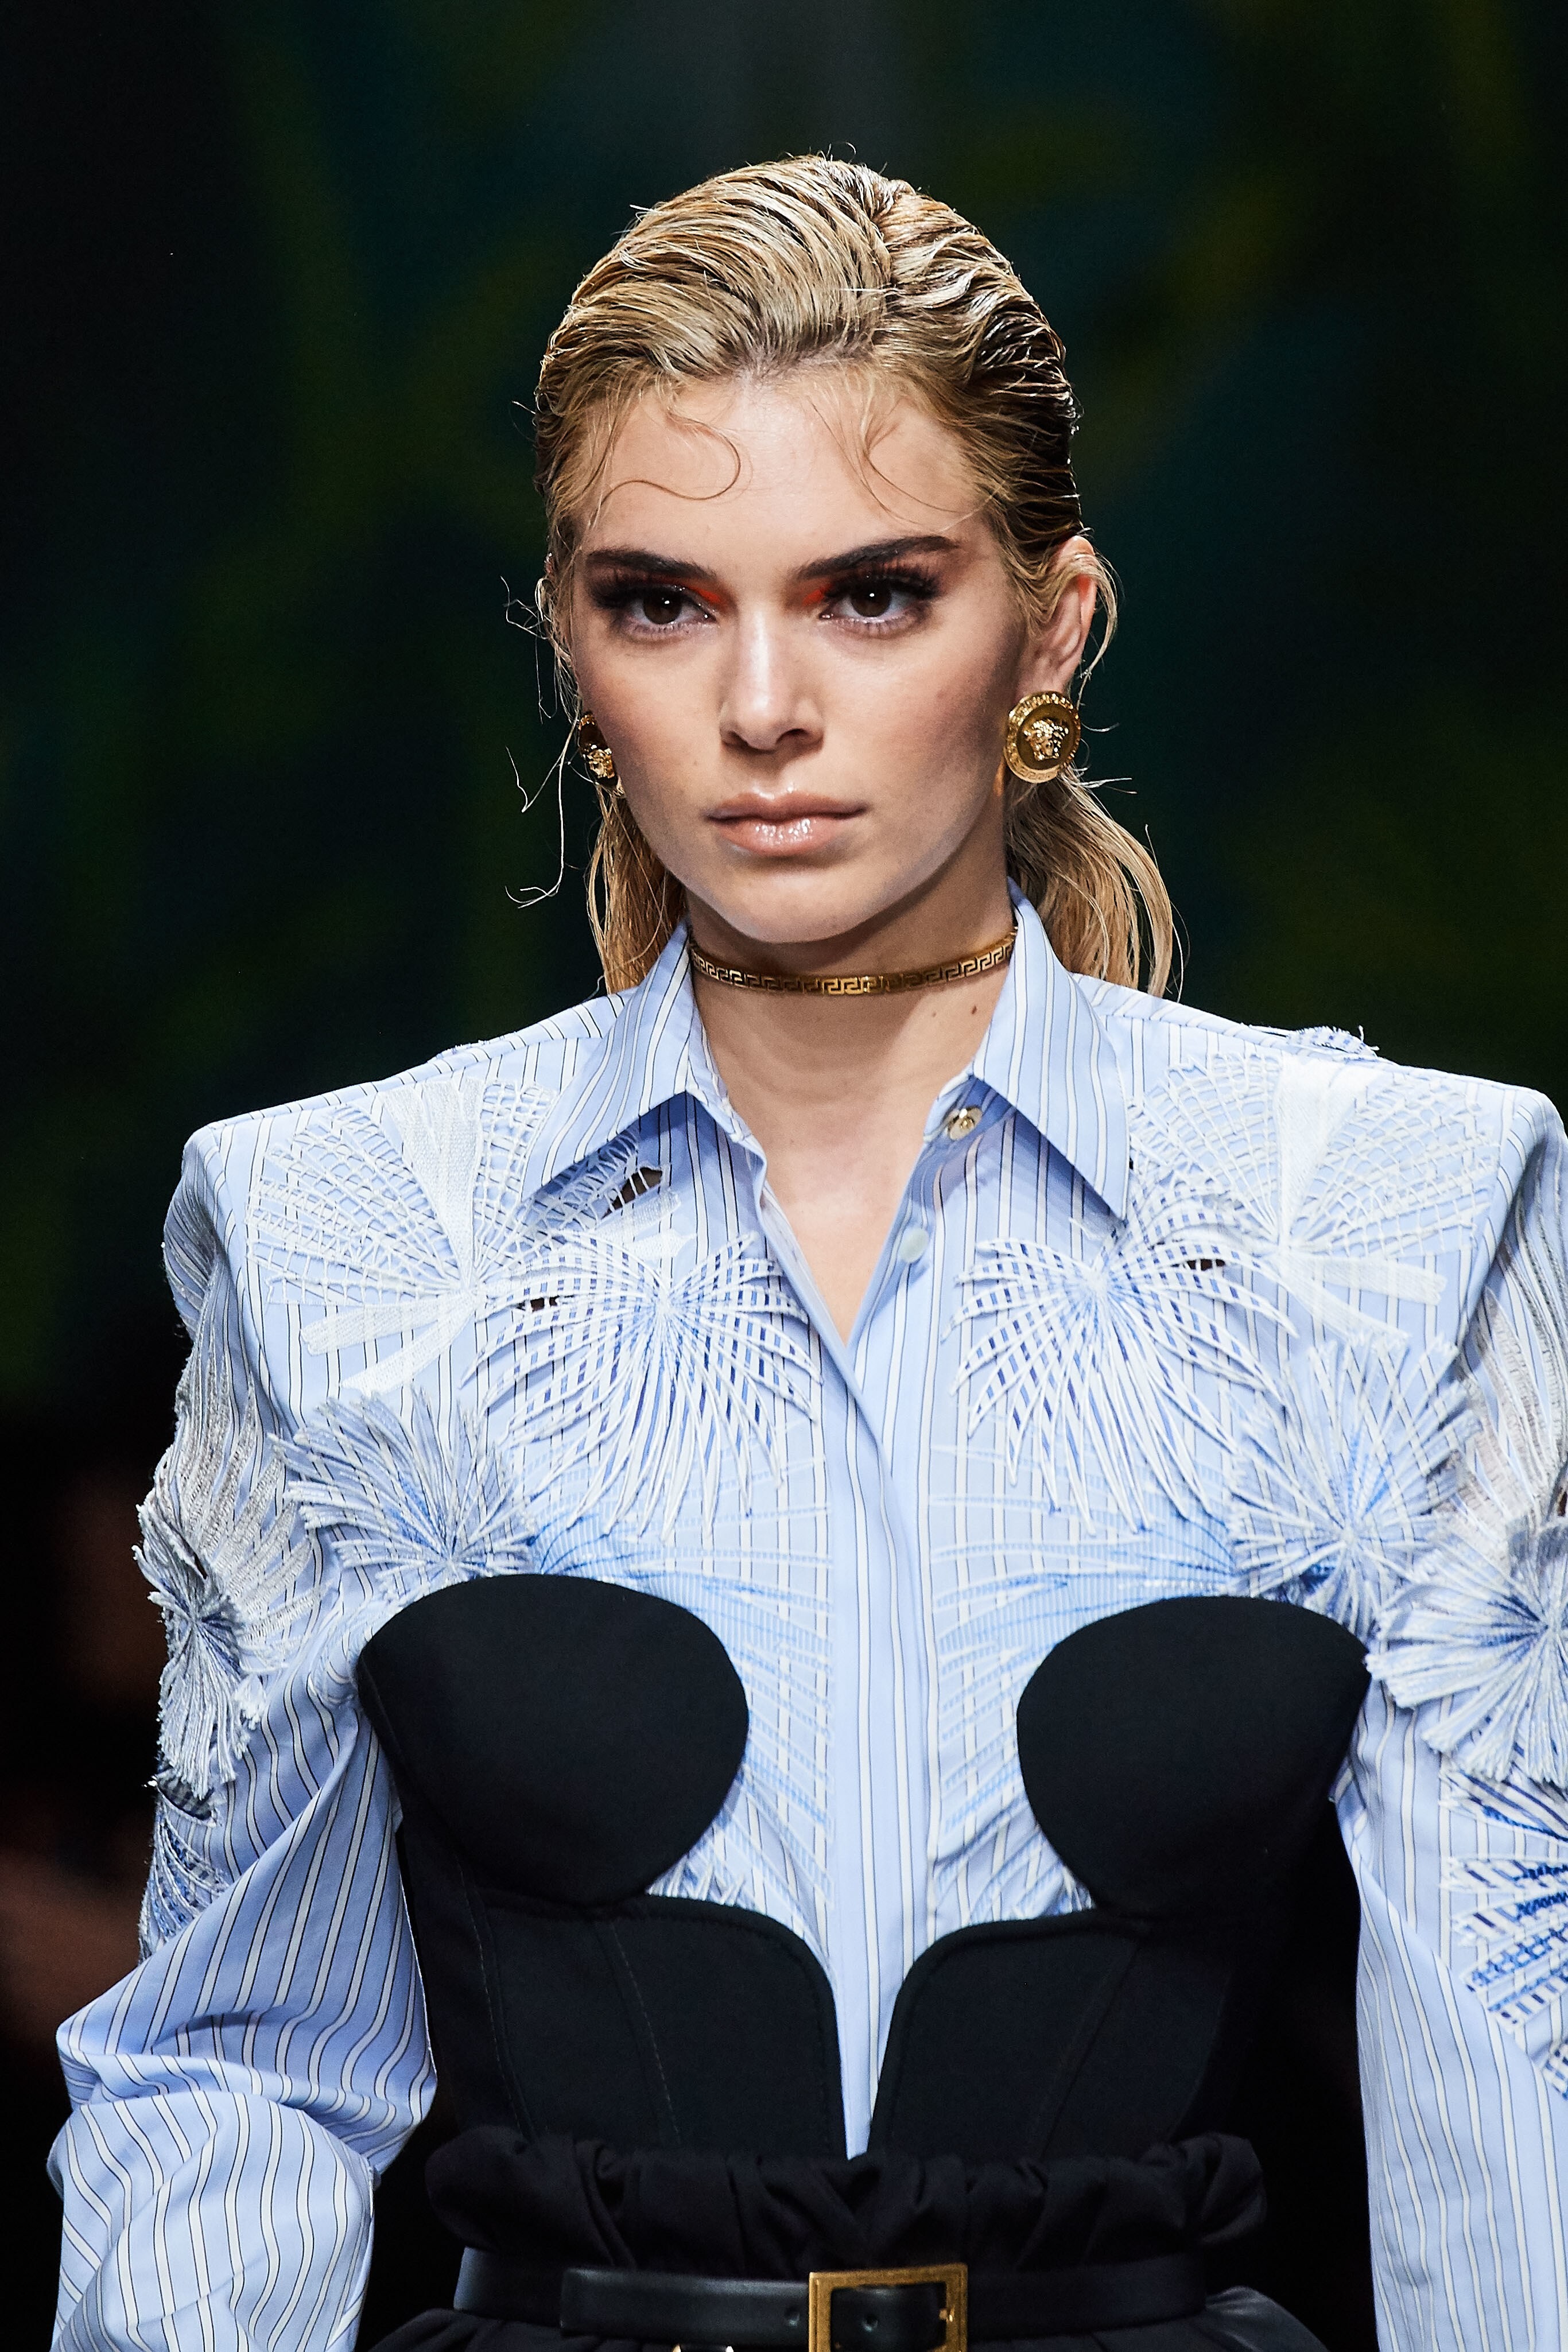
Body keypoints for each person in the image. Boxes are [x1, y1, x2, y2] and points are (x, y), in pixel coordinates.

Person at [48, 158, 1568, 2352]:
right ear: (571, 645)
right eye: (662, 601)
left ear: (1049, 627)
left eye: (870, 594)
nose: (762, 704)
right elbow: (239, 2066)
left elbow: (1510, 2022)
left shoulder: (1388, 1217)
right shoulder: (345, 1230)